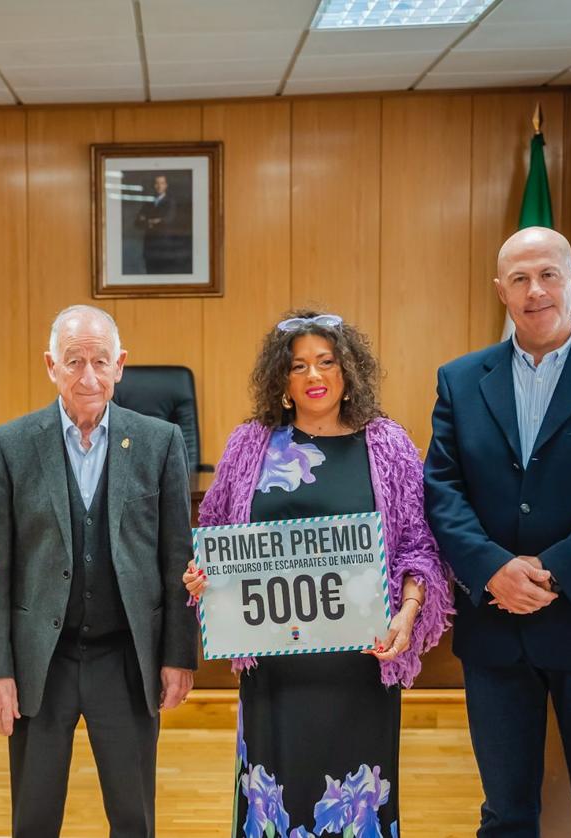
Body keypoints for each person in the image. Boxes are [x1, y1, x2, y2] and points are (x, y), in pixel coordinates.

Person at [184, 310, 452, 837]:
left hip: (360, 665)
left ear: (347, 370)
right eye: (299, 365)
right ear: (280, 379)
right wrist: (203, 577)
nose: (314, 376)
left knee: (354, 814)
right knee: (276, 805)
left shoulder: (388, 445)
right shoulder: (249, 445)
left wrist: (411, 610)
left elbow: (420, 545)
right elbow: (214, 536)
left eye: (326, 362)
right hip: (274, 668)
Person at [424, 227, 571, 836]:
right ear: (500, 290)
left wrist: (552, 572)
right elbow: (441, 489)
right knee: (505, 816)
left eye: (548, 274)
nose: (535, 290)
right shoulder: (461, 380)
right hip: (496, 630)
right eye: (519, 278)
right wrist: (493, 568)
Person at [0, 304, 198, 838]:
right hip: (39, 661)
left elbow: (177, 559)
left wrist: (177, 656)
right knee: (33, 818)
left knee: (132, 817)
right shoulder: (9, 445)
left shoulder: (160, 442)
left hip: (124, 658)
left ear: (121, 365)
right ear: (50, 365)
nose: (89, 376)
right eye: (74, 361)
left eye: (100, 360)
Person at [134, 174, 185, 274]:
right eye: (156, 183)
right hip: (149, 247)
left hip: (164, 247)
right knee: (150, 274)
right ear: (153, 185)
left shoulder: (171, 202)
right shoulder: (148, 203)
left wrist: (147, 220)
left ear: (166, 185)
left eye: (162, 183)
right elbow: (137, 223)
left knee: (163, 275)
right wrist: (153, 221)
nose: (159, 186)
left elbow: (167, 220)